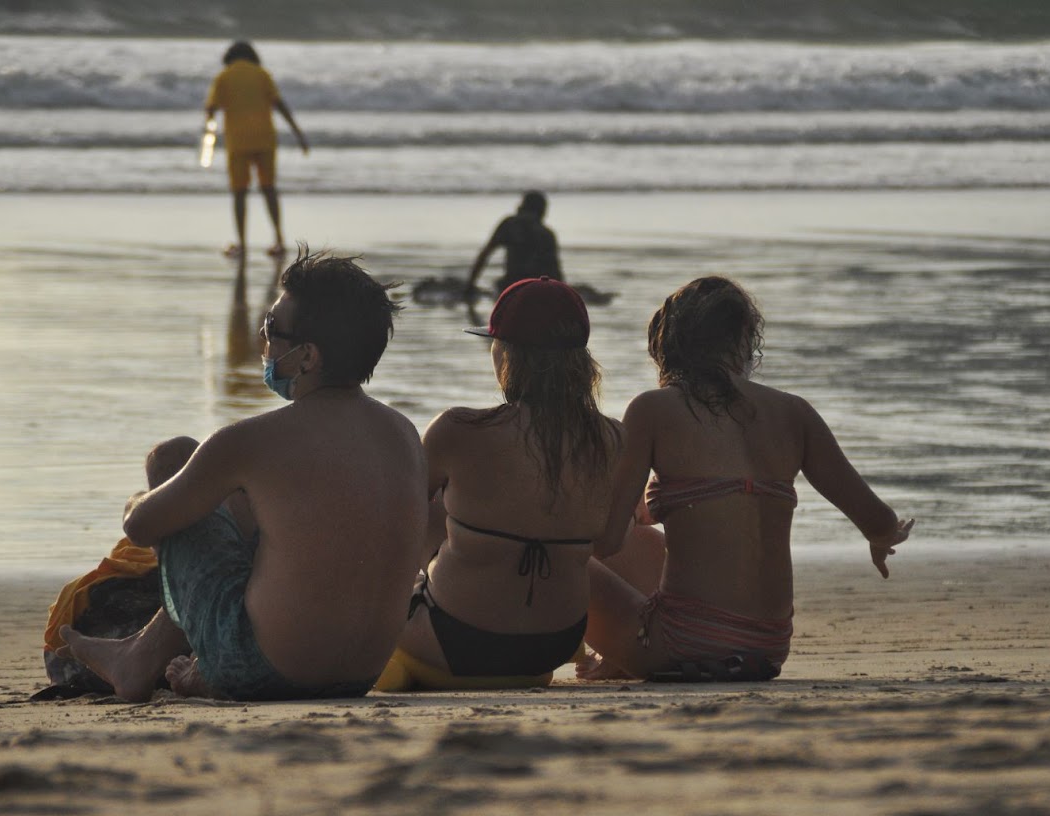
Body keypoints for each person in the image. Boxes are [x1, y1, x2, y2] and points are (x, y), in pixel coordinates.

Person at [61, 249, 428, 701]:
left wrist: (138, 499)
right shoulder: (404, 435)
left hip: (262, 670)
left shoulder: (254, 441)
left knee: (173, 459)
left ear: (307, 356)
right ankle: (139, 655)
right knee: (258, 507)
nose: (262, 338)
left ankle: (148, 661)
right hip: (361, 674)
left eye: (272, 329)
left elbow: (140, 528)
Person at [583, 276, 914, 682]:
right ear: (745, 338)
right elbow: (879, 521)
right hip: (766, 649)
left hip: (683, 646)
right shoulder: (795, 413)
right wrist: (882, 539)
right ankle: (622, 657)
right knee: (649, 543)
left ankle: (604, 654)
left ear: (669, 345)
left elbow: (607, 539)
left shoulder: (653, 409)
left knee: (559, 558)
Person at [377, 277, 623, 690]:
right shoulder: (612, 438)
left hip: (459, 641)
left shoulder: (458, 428)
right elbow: (610, 543)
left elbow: (394, 522)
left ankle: (413, 654)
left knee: (418, 509)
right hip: (554, 644)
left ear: (507, 353)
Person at [205, 41, 310, 260]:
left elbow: (211, 109)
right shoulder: (262, 74)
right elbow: (279, 105)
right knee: (269, 188)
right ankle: (279, 241)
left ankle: (242, 244)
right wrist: (298, 134)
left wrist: (208, 140)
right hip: (264, 139)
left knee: (239, 192)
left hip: (238, 141)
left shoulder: (224, 77)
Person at [466, 191, 564, 299]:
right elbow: (556, 272)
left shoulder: (509, 224)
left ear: (521, 206)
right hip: (541, 288)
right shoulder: (547, 234)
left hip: (513, 285)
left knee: (498, 284)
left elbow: (485, 255)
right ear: (542, 212)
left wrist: (470, 284)